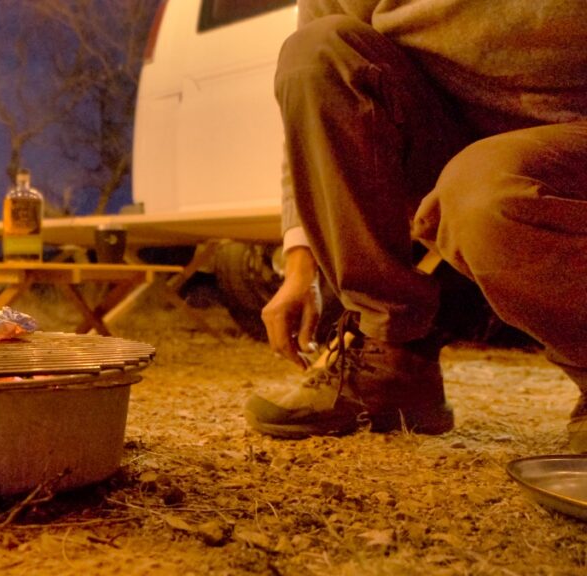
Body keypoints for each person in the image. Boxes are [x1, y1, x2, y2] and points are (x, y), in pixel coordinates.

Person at [244, 0, 587, 450]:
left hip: (568, 133)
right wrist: (299, 265)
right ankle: (393, 357)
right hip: (445, 138)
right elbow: (314, 93)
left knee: (481, 188)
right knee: (316, 49)